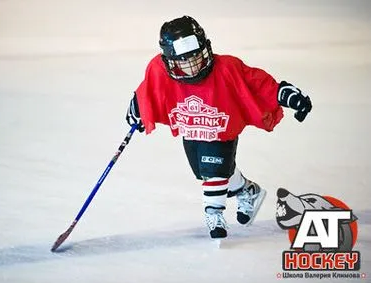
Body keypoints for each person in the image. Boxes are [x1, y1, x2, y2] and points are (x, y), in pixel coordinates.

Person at [125, 15, 312, 239]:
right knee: (208, 171)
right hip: (191, 129)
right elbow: (150, 90)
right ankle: (247, 190)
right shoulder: (159, 69)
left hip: (222, 131)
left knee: (212, 172)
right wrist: (139, 107)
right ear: (169, 61)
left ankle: (214, 214)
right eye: (183, 61)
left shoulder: (228, 68)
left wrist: (286, 94)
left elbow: (257, 83)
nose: (192, 67)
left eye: (195, 57)